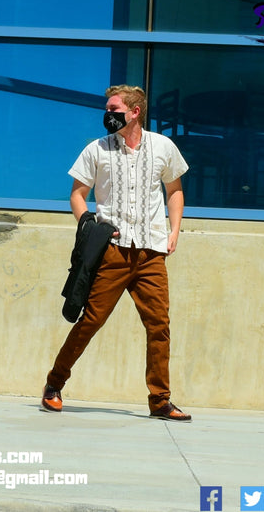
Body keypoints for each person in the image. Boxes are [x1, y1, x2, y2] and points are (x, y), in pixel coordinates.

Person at [42, 84, 191, 422]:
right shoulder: (97, 150)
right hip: (112, 251)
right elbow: (78, 194)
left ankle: (160, 401)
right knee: (91, 320)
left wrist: (175, 230)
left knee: (159, 326)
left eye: (114, 109)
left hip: (151, 252)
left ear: (134, 111)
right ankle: (54, 384)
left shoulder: (164, 147)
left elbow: (175, 191)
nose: (107, 114)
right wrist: (89, 226)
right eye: (107, 109)